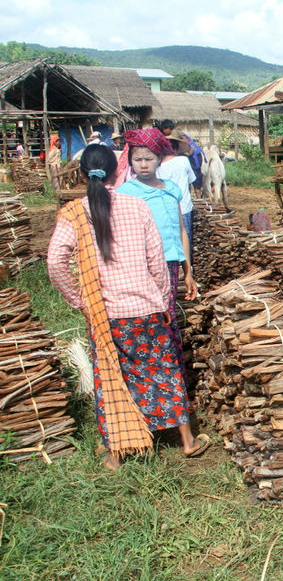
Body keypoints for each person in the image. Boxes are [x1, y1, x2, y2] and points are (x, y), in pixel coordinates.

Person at [47, 144, 208, 471]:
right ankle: (188, 441)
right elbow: (158, 264)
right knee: (165, 371)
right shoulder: (137, 207)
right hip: (147, 308)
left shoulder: (74, 214)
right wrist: (163, 301)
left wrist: (78, 298)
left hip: (106, 314)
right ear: (119, 171)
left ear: (81, 175)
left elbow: (54, 262)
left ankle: (115, 454)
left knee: (112, 378)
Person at [118, 128, 198, 382]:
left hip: (171, 264)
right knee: (147, 321)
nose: (143, 164)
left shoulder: (171, 189)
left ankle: (172, 380)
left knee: (167, 318)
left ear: (159, 159)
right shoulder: (126, 193)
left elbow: (180, 230)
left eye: (149, 158)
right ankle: (151, 377)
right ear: (130, 161)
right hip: (140, 267)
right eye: (138, 159)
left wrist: (188, 270)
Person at [159, 129, 197, 253]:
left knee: (169, 243)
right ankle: (187, 268)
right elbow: (191, 181)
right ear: (176, 148)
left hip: (165, 209)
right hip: (184, 207)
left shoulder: (158, 166)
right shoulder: (183, 161)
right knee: (185, 240)